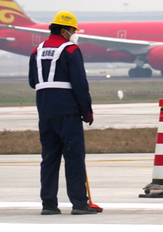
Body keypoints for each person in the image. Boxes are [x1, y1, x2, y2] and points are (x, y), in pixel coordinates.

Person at [29, 11, 97, 215]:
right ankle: (79, 203)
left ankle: (48, 205)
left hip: (45, 112)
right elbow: (79, 84)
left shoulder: (36, 51)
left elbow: (33, 82)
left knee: (49, 159)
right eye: (73, 30)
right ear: (64, 30)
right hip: (68, 112)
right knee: (74, 157)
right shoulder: (70, 50)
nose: (74, 33)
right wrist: (87, 110)